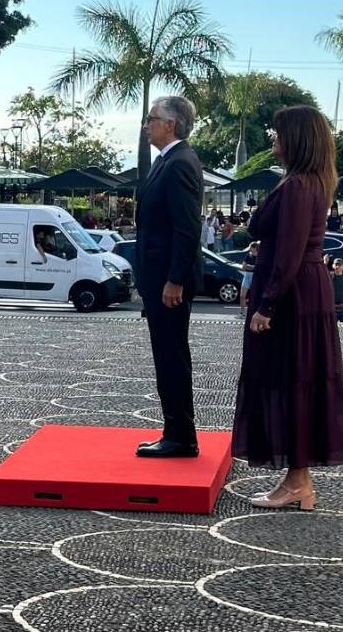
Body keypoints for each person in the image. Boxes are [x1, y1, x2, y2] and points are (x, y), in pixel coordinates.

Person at [235, 105, 343, 510]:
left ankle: (298, 482)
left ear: (296, 138)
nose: (272, 139)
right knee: (295, 381)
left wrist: (265, 305)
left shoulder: (299, 186)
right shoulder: (307, 182)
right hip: (301, 291)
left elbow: (286, 254)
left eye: (277, 133)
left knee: (290, 381)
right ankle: (297, 481)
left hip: (291, 297)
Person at [133, 95, 205, 459]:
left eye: (152, 119)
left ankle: (180, 435)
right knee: (167, 355)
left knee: (171, 356)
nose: (147, 125)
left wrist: (175, 279)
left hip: (168, 283)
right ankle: (176, 430)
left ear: (170, 124)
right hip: (159, 278)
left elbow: (187, 228)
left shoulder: (179, 163)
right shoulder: (167, 161)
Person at [239, 242, 258, 317]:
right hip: (247, 276)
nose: (252, 252)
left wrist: (250, 266)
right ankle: (242, 312)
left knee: (254, 296)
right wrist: (252, 267)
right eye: (251, 249)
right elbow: (243, 267)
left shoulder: (259, 256)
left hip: (255, 277)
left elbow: (258, 268)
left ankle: (254, 313)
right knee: (242, 296)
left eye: (254, 250)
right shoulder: (248, 255)